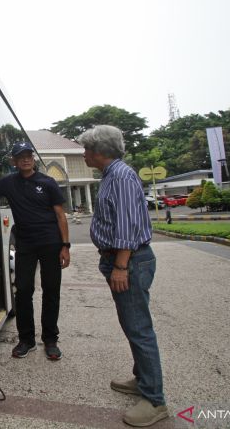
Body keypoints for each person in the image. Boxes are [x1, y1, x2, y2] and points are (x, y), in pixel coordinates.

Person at [76, 125, 168, 427]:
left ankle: (154, 400)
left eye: (87, 149)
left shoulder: (122, 176)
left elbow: (127, 227)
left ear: (100, 150)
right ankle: (143, 380)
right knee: (132, 325)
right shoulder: (111, 175)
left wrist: (120, 266)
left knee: (139, 328)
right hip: (119, 259)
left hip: (128, 262)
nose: (85, 154)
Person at [0, 141, 70, 360]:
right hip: (25, 244)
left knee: (51, 291)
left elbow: (60, 215)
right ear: (14, 161)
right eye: (21, 157)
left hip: (50, 243)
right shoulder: (9, 182)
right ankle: (26, 340)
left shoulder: (47, 183)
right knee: (24, 291)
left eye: (28, 155)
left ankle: (50, 340)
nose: (26, 159)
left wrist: (65, 246)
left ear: (33, 159)